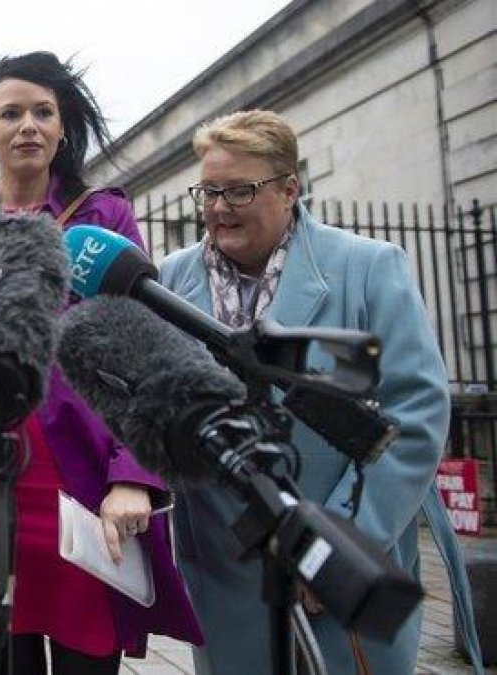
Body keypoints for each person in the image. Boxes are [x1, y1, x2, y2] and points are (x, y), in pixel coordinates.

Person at [160, 109, 481, 674]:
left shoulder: (369, 268)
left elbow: (418, 409)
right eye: (208, 191)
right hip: (225, 569)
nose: (217, 208)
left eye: (239, 190)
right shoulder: (167, 281)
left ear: (289, 189)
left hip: (343, 562)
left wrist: (332, 543)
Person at [0, 51, 203, 675]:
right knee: (4, 661)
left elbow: (146, 351)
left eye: (43, 112)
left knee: (87, 657)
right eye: (10, 113)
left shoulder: (105, 218)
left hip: (86, 487)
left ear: (62, 125)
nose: (28, 126)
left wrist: (134, 476)